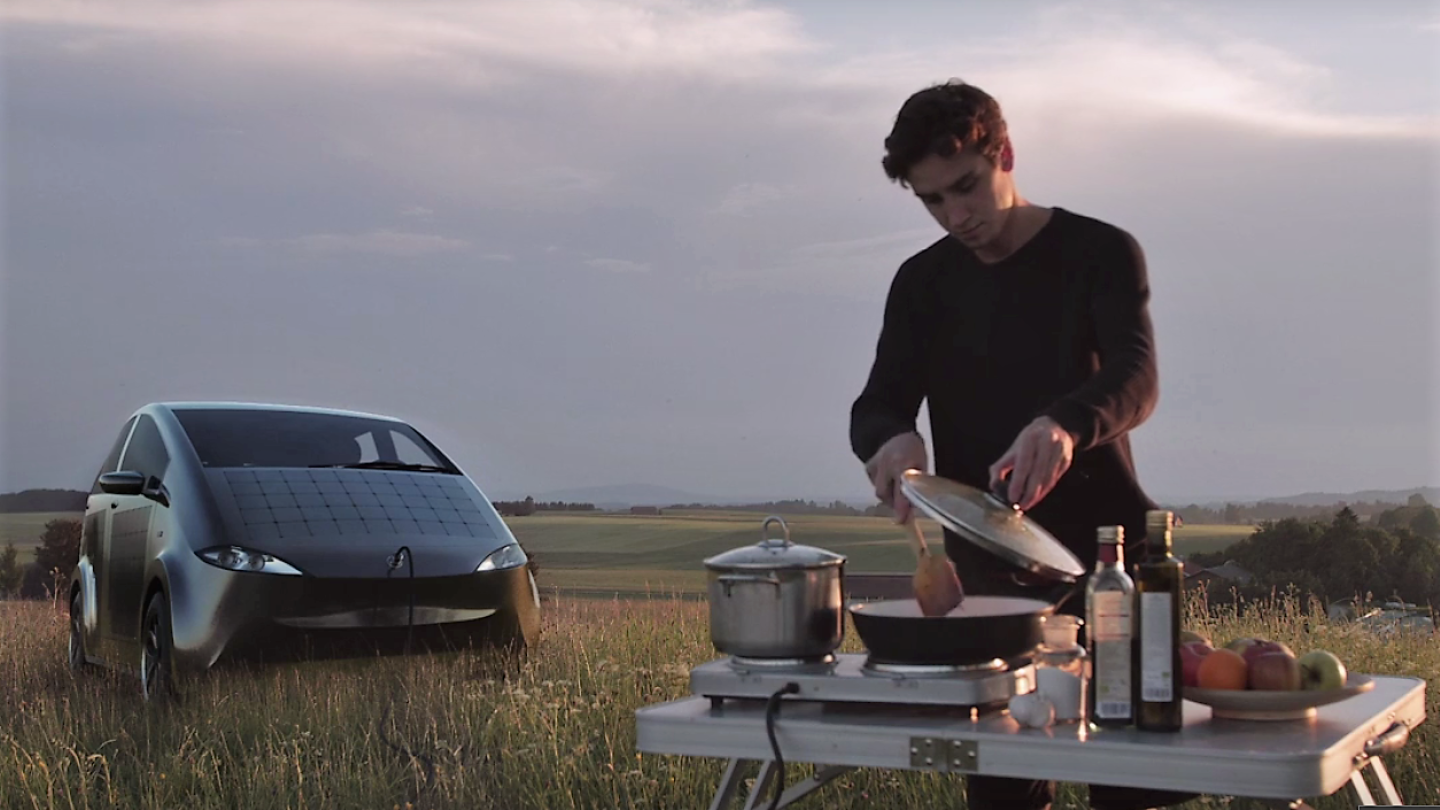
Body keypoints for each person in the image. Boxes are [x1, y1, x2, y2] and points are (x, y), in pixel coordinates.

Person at [849, 80, 1197, 810]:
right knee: (1003, 791)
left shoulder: (1100, 252)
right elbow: (877, 402)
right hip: (989, 581)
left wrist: (1066, 424)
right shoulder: (921, 284)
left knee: (1133, 785)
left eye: (967, 188)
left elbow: (1138, 376)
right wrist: (892, 439)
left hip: (1115, 564)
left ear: (1004, 153)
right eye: (933, 201)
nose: (956, 216)